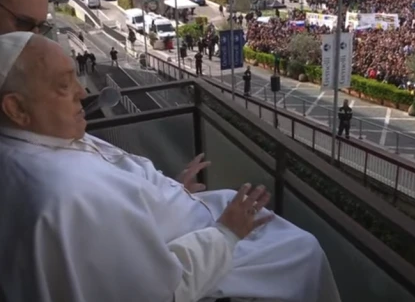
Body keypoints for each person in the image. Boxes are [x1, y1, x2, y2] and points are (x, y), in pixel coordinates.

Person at [0, 32, 341, 302]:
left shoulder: (30, 138)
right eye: (63, 86)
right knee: (302, 249)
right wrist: (226, 233)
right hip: (202, 249)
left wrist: (166, 190)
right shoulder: (70, 194)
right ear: (16, 108)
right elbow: (161, 291)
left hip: (183, 216)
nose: (81, 91)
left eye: (75, 78)